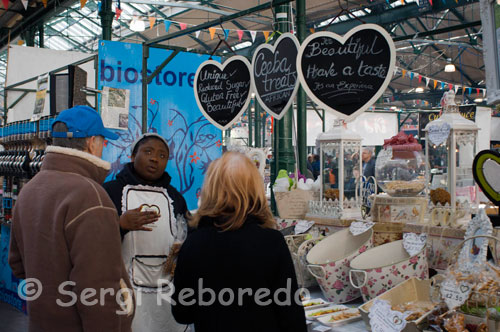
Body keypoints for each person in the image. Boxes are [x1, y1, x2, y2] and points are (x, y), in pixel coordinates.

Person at [9, 105, 134, 332]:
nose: (103, 147)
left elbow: (17, 265)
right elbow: (98, 291)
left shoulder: (29, 191)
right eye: (102, 142)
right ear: (91, 142)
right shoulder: (92, 197)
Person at [171, 152, 307, 332]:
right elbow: (291, 316)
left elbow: (182, 313)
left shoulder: (193, 244)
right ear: (254, 188)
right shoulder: (271, 241)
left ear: (210, 188)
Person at [103, 132, 189, 332]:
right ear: (133, 156)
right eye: (148, 151)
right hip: (124, 290)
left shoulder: (175, 197)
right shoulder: (110, 192)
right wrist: (120, 225)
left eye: (162, 156)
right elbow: (93, 242)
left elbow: (186, 235)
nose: (154, 159)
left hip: (167, 290)